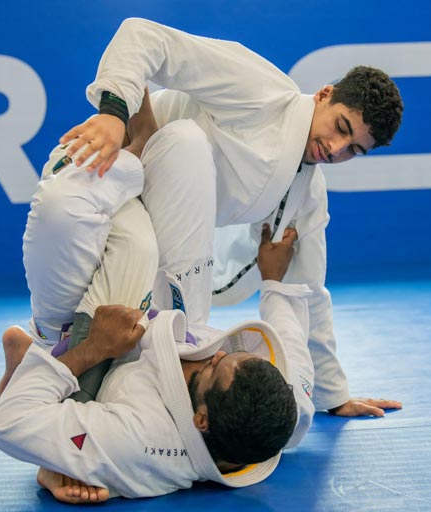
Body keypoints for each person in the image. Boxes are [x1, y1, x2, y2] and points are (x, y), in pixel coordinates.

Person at [56, 18, 403, 417]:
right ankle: (62, 399)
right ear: (324, 94)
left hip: (160, 227)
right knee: (132, 283)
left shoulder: (306, 191)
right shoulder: (260, 89)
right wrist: (115, 113)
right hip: (106, 178)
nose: (336, 148)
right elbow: (144, 36)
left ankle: (50, 369)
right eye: (341, 127)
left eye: (354, 150)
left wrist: (333, 395)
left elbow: (309, 290)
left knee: (147, 336)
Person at [0, 120, 317, 502]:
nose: (216, 353)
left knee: (68, 205)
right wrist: (273, 281)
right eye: (229, 355)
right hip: (169, 308)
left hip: (89, 340)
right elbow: (289, 336)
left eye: (211, 369)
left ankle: (40, 362)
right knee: (184, 142)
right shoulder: (285, 413)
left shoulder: (141, 441)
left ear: (200, 420)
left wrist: (89, 352)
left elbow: (5, 422)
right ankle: (137, 141)